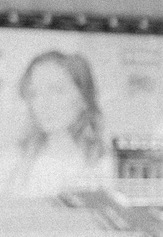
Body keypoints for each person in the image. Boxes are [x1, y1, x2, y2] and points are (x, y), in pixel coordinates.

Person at [6, 50, 113, 196]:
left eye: (56, 91)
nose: (44, 104)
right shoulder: (17, 161)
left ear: (83, 97)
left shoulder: (105, 165)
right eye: (35, 93)